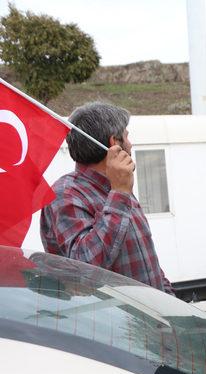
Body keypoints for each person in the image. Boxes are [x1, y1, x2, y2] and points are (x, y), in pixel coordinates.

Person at [40, 102, 173, 294]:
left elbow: (146, 259)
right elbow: (85, 268)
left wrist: (169, 298)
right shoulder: (65, 194)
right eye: (126, 136)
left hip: (154, 317)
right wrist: (119, 194)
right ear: (114, 143)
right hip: (110, 322)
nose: (130, 143)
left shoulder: (118, 187)